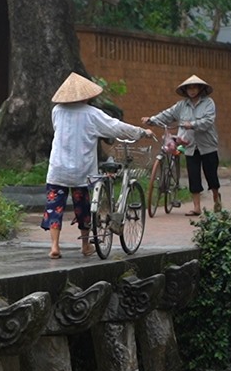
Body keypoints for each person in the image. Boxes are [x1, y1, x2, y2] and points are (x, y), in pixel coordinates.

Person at [42, 73, 152, 259]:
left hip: (58, 169)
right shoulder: (92, 114)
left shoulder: (57, 111)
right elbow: (116, 127)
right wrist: (141, 132)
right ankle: (86, 245)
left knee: (54, 207)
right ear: (87, 96)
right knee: (83, 207)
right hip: (82, 170)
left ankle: (54, 246)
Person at [141, 74, 221, 216]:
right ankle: (197, 207)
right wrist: (151, 120)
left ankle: (216, 197)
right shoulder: (181, 106)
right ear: (185, 90)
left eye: (194, 88)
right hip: (189, 145)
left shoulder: (208, 103)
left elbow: (208, 121)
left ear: (200, 89)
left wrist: (193, 124)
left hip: (207, 145)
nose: (192, 91)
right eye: (189, 88)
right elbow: (167, 115)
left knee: (211, 175)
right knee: (193, 175)